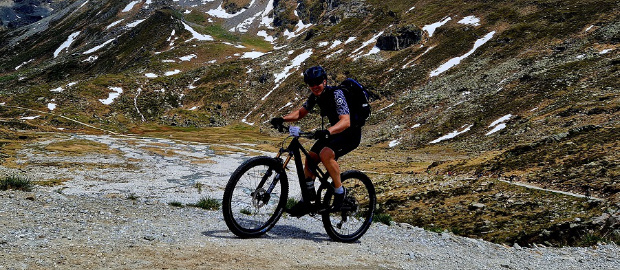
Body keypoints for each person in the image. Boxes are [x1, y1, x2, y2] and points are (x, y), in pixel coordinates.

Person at [270, 66, 362, 217]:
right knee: (311, 158)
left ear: (324, 81)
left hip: (350, 134)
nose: (314, 86)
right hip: (334, 133)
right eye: (310, 83)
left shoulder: (337, 94)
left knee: (325, 154)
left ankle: (340, 192)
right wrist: (282, 119)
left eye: (317, 82)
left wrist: (327, 131)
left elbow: (346, 121)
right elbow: (301, 112)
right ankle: (307, 201)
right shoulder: (315, 96)